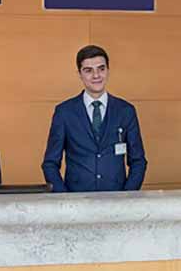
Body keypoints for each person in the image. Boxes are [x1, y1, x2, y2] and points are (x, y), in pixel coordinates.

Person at [42, 44, 147, 192]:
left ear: (108, 70)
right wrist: (65, 199)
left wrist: (126, 197)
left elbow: (138, 161)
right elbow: (50, 163)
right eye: (88, 70)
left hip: (117, 203)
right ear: (79, 74)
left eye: (101, 69)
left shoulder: (126, 111)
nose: (96, 75)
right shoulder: (64, 112)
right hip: (76, 205)